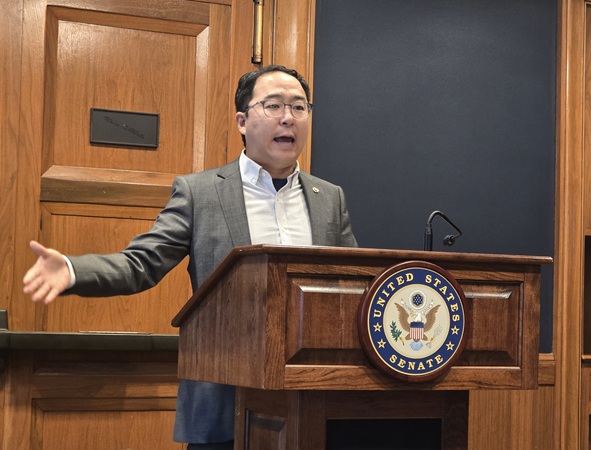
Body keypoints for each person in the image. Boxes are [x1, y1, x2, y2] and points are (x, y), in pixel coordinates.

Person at [22, 65, 358, 449]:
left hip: (311, 404)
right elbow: (140, 264)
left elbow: (350, 285)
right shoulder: (200, 193)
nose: (288, 117)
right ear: (242, 121)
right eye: (274, 105)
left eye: (299, 107)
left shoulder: (329, 198)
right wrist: (71, 269)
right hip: (224, 402)